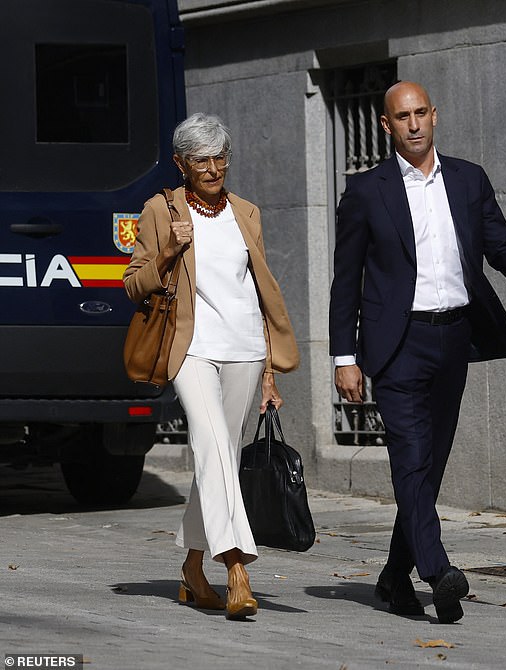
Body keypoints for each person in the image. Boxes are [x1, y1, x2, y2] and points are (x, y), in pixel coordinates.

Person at [329, 82, 506, 624]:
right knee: (411, 457)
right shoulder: (366, 191)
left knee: (430, 466)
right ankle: (437, 570)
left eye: (421, 112)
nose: (415, 124)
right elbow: (345, 281)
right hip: (396, 345)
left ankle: (393, 576)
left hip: (453, 339)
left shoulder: (468, 178)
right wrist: (343, 357)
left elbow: (494, 237)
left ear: (435, 115)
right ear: (387, 126)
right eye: (402, 117)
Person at [124, 112, 299, 620]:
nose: (214, 166)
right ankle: (237, 566)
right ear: (182, 163)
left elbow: (259, 292)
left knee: (216, 458)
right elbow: (133, 283)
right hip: (191, 349)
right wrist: (169, 251)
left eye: (221, 156)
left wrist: (268, 371)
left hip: (244, 346)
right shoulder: (160, 211)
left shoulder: (246, 212)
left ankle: (192, 567)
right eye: (202, 159)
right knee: (212, 443)